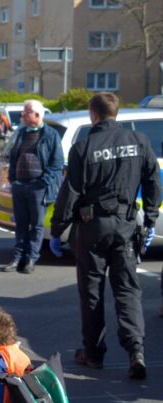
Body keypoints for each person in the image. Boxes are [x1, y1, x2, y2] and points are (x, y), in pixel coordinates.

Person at [51, 93, 160, 380]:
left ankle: (94, 353)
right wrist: (150, 219)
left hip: (92, 228)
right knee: (127, 291)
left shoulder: (83, 147)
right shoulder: (139, 142)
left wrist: (56, 228)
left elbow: (70, 191)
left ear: (92, 115)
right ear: (116, 112)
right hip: (125, 227)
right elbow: (153, 182)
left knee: (91, 292)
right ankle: (136, 349)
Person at [1, 100, 64, 274]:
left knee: (36, 225)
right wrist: (13, 179)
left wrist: (43, 182)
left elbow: (56, 163)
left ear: (37, 115)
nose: (22, 114)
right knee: (21, 223)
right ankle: (18, 257)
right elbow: (13, 157)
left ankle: (31, 258)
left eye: (26, 112)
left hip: (38, 187)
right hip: (20, 186)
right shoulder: (21, 133)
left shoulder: (50, 135)